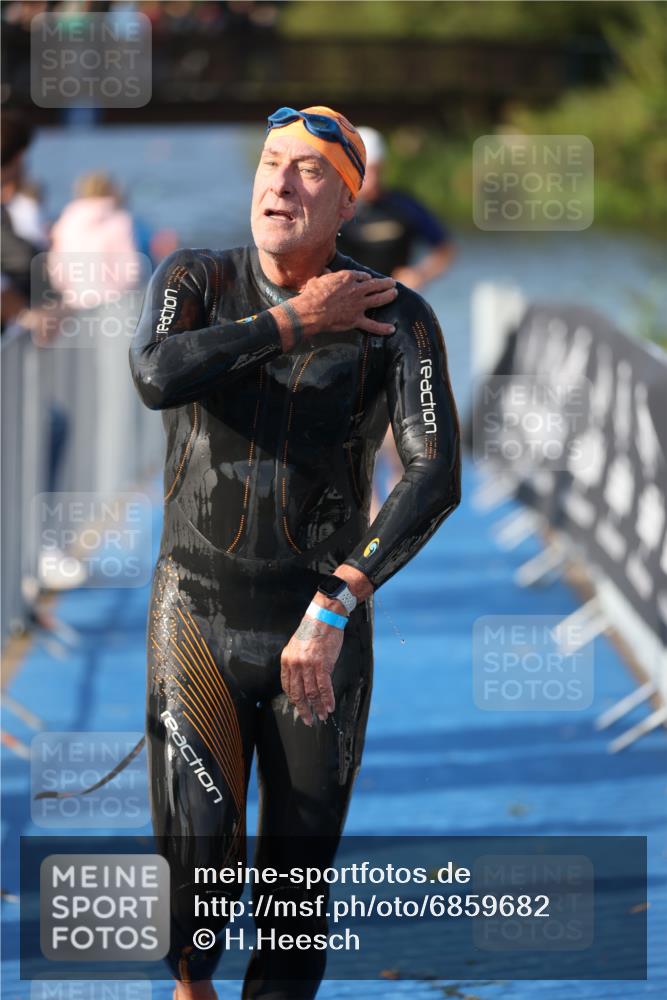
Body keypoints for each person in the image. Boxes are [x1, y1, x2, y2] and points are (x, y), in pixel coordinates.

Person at [130, 104, 461, 1000]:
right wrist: (294, 323)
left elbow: (435, 475)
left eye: (308, 170)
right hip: (196, 617)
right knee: (195, 889)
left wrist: (338, 602)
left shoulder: (396, 316)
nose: (279, 183)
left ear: (348, 202)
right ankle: (190, 985)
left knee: (294, 895)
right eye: (270, 163)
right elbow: (156, 373)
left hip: (319, 632)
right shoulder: (196, 277)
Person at [337, 126, 456, 517]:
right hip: (350, 323)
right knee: (355, 415)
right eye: (363, 172)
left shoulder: (403, 207)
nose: (371, 180)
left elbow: (445, 249)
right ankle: (367, 503)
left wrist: (420, 274)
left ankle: (396, 496)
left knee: (398, 415)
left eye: (376, 171)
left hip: (398, 318)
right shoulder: (338, 211)